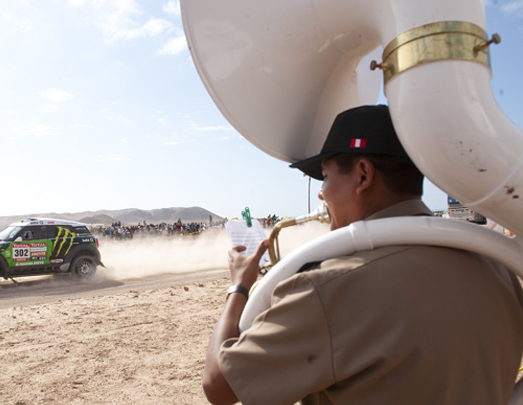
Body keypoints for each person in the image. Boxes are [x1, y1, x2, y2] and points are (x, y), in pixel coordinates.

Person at [202, 105, 523, 405]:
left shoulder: (326, 290)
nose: (321, 192)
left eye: (326, 177)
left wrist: (239, 287)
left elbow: (219, 386)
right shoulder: (500, 269)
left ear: (363, 175)